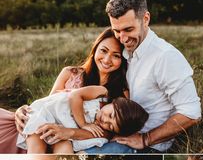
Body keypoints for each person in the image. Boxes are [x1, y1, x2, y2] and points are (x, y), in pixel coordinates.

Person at [87, 0, 201, 154]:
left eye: (128, 30)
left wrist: (145, 139)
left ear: (145, 19)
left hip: (147, 146)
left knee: (84, 155)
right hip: (114, 130)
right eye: (116, 31)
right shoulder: (125, 50)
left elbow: (192, 112)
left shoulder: (165, 56)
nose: (123, 38)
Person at [0, 28, 130, 153]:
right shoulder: (70, 73)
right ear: (95, 49)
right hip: (45, 129)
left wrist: (69, 132)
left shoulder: (121, 92)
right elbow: (48, 104)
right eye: (103, 50)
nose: (107, 59)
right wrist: (22, 110)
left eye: (116, 55)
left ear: (122, 59)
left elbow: (110, 132)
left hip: (71, 141)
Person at [16, 85, 148, 154]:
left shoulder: (102, 131)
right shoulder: (102, 93)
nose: (105, 121)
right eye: (111, 115)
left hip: (60, 132)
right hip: (45, 112)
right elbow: (75, 95)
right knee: (36, 150)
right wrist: (83, 123)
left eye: (111, 126)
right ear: (115, 102)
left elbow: (76, 136)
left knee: (65, 150)